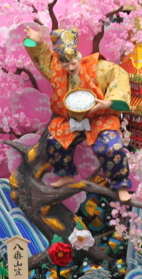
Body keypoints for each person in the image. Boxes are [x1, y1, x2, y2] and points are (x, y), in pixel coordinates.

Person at [23, 25, 134, 202]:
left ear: (79, 57)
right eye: (65, 64)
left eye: (73, 62)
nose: (70, 67)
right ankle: (66, 173)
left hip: (99, 116)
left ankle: (120, 184)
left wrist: (108, 102)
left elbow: (119, 77)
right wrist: (38, 42)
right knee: (55, 140)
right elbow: (44, 59)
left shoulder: (100, 68)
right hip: (70, 118)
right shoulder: (58, 71)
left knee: (111, 146)